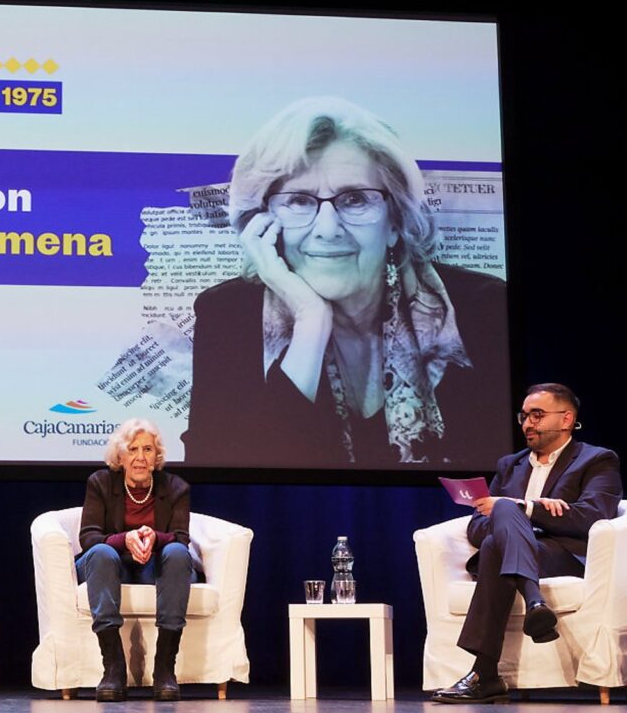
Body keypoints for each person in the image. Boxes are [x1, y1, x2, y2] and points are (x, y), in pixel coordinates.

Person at [185, 96, 510, 468]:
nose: (328, 229)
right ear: (263, 224)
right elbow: (227, 471)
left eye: (355, 199)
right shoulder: (227, 315)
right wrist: (310, 321)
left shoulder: (482, 309)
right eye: (299, 201)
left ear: (395, 222)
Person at [431, 383, 623, 703]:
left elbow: (594, 516)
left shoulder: (597, 460)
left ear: (566, 419)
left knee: (503, 520)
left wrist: (527, 509)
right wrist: (515, 514)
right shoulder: (510, 465)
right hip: (515, 553)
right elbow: (477, 527)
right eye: (524, 416)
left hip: (562, 555)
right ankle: (535, 604)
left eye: (537, 415)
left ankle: (485, 675)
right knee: (494, 541)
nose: (527, 424)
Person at [76, 418, 201, 701]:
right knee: (101, 552)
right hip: (109, 567)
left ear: (157, 457)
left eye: (147, 449)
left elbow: (181, 538)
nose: (140, 457)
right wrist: (125, 539)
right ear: (120, 456)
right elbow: (89, 537)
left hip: (154, 567)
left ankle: (165, 669)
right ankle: (113, 669)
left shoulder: (176, 487)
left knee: (177, 553)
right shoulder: (100, 483)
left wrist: (154, 538)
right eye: (132, 449)